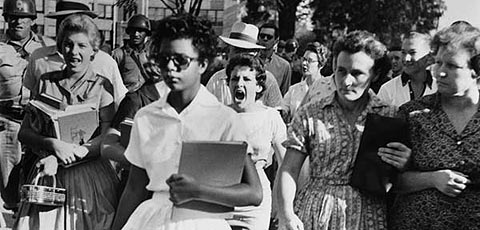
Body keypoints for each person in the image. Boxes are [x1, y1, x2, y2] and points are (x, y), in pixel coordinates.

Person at [111, 14, 262, 230]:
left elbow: (254, 192)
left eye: (181, 60)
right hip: (153, 221)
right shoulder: (147, 117)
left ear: (202, 63)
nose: (171, 68)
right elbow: (134, 188)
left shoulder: (224, 119)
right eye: (164, 59)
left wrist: (198, 190)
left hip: (203, 221)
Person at [276, 31, 411, 230]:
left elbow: (397, 179)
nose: (347, 81)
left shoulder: (389, 116)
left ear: (375, 74)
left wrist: (405, 163)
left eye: (357, 73)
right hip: (316, 214)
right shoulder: (310, 114)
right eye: (341, 71)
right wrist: (287, 214)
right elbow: (289, 169)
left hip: (367, 216)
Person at [15, 14, 119, 229]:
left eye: (82, 45)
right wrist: (51, 145)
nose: (74, 52)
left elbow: (107, 138)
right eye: (68, 45)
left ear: (94, 51)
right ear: (61, 48)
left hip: (90, 177)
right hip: (48, 176)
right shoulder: (45, 82)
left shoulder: (102, 87)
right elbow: (24, 132)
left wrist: (64, 157)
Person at [389, 24, 480, 230]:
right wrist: (432, 179)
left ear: (476, 70)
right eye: (438, 63)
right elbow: (390, 181)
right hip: (417, 223)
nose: (440, 73)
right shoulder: (413, 114)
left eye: (452, 66)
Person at [0, 0, 56, 211]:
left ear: (33, 19)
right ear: (6, 18)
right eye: (12, 16)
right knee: (9, 187)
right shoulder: (0, 49)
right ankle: (14, 215)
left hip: (39, 124)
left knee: (40, 181)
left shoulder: (46, 48)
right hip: (7, 123)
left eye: (23, 17)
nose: (17, 21)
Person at [23, 0, 128, 108]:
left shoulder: (106, 62)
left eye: (77, 20)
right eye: (63, 21)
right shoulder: (39, 57)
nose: (71, 24)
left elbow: (119, 101)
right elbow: (32, 102)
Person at [225, 54, 287, 230]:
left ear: (259, 86)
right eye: (234, 79)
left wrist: (279, 202)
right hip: (223, 198)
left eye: (247, 79)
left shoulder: (270, 116)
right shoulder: (218, 115)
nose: (239, 83)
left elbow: (285, 164)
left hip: (256, 200)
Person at [206, 21, 283, 108]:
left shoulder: (267, 80)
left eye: (246, 51)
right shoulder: (216, 80)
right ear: (229, 51)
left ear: (255, 53)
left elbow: (277, 109)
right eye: (237, 50)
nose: (240, 56)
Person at [377, 32, 437, 107]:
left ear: (428, 56)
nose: (406, 59)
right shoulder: (388, 89)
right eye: (403, 53)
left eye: (412, 53)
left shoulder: (439, 89)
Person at [281, 42, 329, 123]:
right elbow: (283, 109)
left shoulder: (328, 88)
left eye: (310, 61)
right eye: (304, 59)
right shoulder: (294, 89)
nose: (304, 63)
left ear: (321, 64)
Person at [112, 14, 151, 92]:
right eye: (133, 31)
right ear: (129, 32)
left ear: (146, 33)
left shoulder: (150, 56)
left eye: (140, 31)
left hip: (147, 99)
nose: (136, 34)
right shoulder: (118, 54)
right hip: (127, 99)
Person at [258, 23, 292, 95]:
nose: (265, 39)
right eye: (262, 36)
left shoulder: (284, 66)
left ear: (276, 40)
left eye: (269, 37)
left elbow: (284, 94)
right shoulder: (249, 60)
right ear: (258, 38)